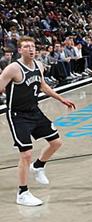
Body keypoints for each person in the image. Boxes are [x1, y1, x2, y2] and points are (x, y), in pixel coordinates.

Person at [0, 36, 76, 206]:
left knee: (56, 143)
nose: (31, 49)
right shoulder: (13, 68)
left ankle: (38, 166)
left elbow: (43, 86)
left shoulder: (39, 65)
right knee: (26, 154)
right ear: (20, 50)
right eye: (27, 46)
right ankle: (22, 193)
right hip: (18, 115)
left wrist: (61, 99)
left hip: (35, 111)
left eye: (33, 46)